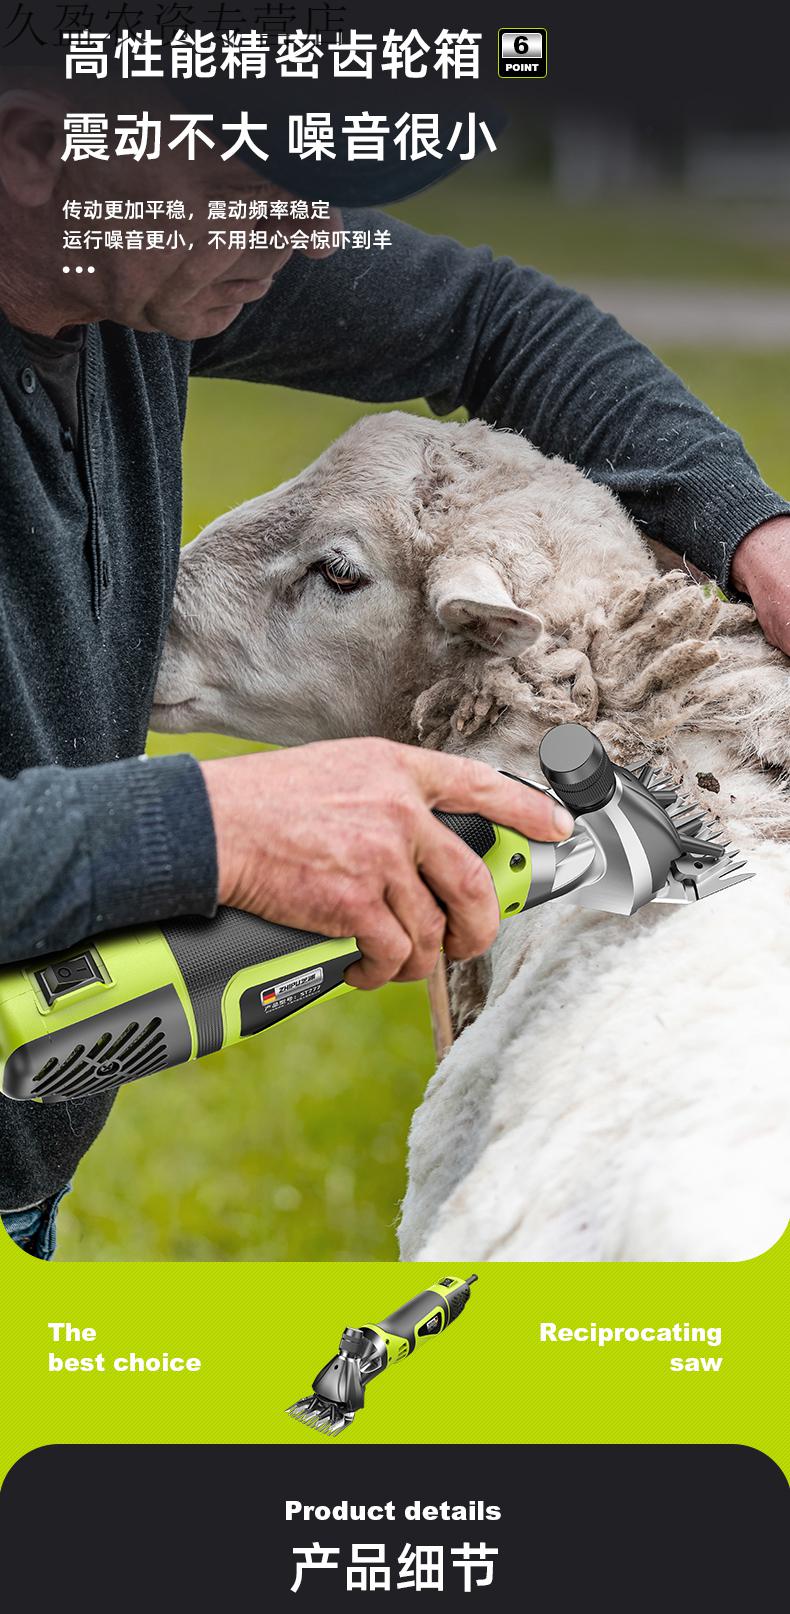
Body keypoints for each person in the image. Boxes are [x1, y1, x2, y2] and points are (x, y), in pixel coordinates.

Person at [1, 76, 788, 1257]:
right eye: (258, 185)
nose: (312, 234)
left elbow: (488, 319)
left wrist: (752, 532)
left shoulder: (134, 258)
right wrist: (206, 828)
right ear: (31, 149)